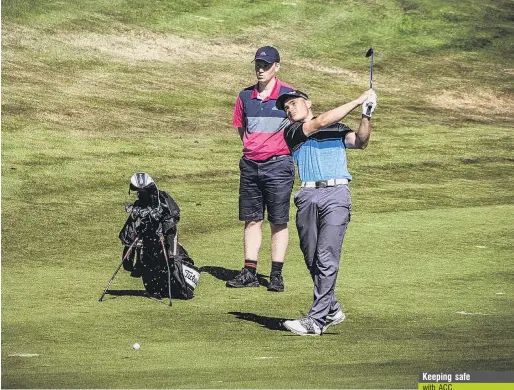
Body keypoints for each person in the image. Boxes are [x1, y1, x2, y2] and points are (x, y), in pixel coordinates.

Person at [275, 88, 377, 335]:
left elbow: (360, 142)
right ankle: (331, 308)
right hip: (308, 196)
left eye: (293, 103)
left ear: (308, 102)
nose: (290, 109)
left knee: (326, 255)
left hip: (336, 194)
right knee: (312, 257)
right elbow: (320, 122)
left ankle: (316, 321)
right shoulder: (291, 131)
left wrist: (366, 115)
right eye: (286, 107)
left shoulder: (338, 128)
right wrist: (358, 99)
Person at [226, 46, 296, 292]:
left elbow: (303, 125)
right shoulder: (245, 96)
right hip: (250, 165)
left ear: (277, 66)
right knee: (252, 219)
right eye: (258, 64)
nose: (261, 69)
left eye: (266, 65)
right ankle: (250, 271)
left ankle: (276, 274)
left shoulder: (290, 95)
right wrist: (255, 148)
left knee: (278, 220)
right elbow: (241, 129)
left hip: (279, 166)